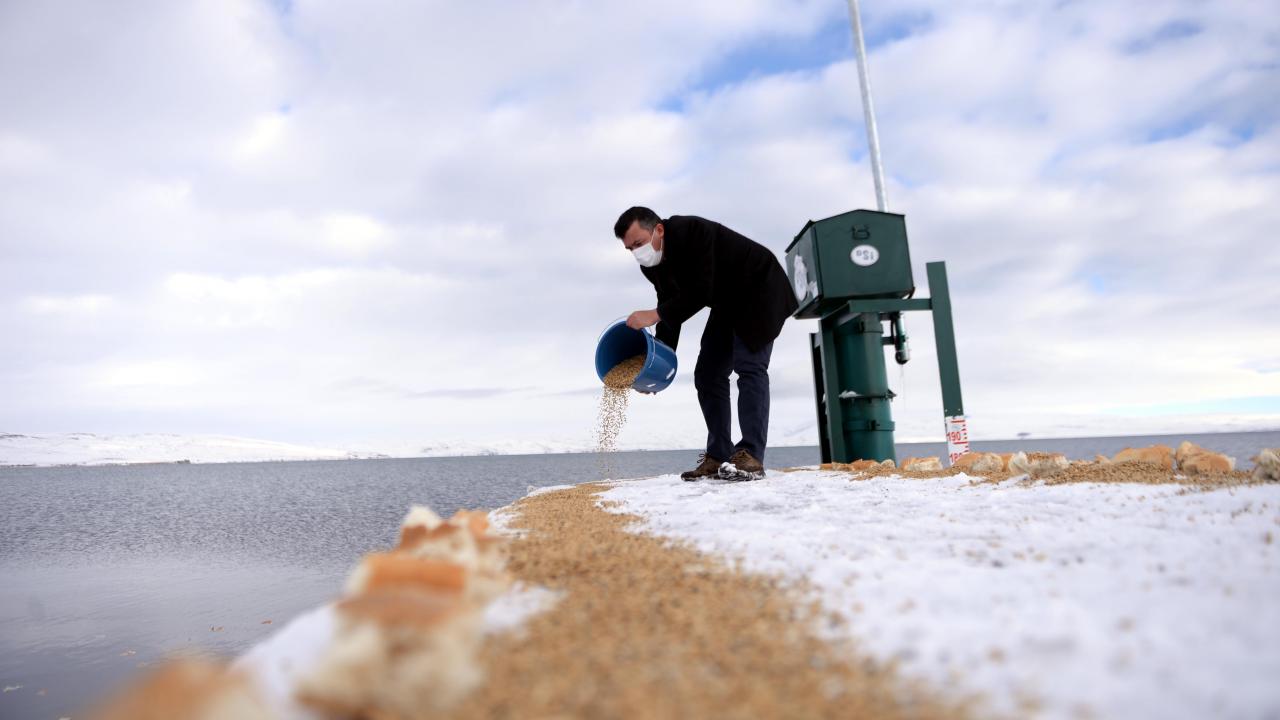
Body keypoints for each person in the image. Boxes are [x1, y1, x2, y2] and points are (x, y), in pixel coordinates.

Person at [614, 206, 798, 481]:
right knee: (708, 373)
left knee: (749, 366)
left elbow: (699, 291)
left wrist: (655, 315)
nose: (637, 253)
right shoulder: (651, 267)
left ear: (659, 229)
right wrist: (657, 366)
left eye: (639, 243)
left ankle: (751, 455)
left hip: (759, 287)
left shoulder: (692, 232)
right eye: (630, 249)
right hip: (727, 299)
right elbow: (669, 306)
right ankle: (718, 455)